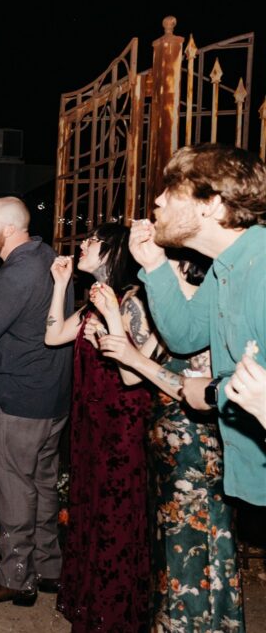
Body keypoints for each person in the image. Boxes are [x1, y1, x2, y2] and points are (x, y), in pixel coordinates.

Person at [95, 252, 245, 631]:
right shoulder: (171, 318)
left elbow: (198, 392)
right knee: (170, 561)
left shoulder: (208, 315)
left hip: (198, 455)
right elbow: (131, 377)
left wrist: (135, 358)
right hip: (167, 457)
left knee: (196, 562)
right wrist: (113, 316)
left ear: (182, 265)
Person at [130, 144, 266, 506]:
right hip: (251, 471)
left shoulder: (262, 267)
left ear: (212, 204)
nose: (158, 200)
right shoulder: (225, 266)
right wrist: (155, 266)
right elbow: (185, 335)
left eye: (172, 190)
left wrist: (213, 392)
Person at [0, 196, 73, 606]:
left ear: (9, 229)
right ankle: (49, 567)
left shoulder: (16, 273)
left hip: (18, 399)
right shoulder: (47, 257)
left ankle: (15, 577)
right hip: (52, 396)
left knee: (13, 490)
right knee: (43, 484)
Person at [44, 223, 152, 631]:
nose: (83, 244)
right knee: (87, 512)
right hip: (89, 424)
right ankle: (90, 604)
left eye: (92, 241)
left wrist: (108, 326)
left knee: (115, 518)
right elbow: (53, 335)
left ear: (114, 251)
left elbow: (133, 375)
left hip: (122, 428)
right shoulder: (94, 301)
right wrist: (60, 284)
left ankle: (115, 614)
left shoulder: (134, 301)